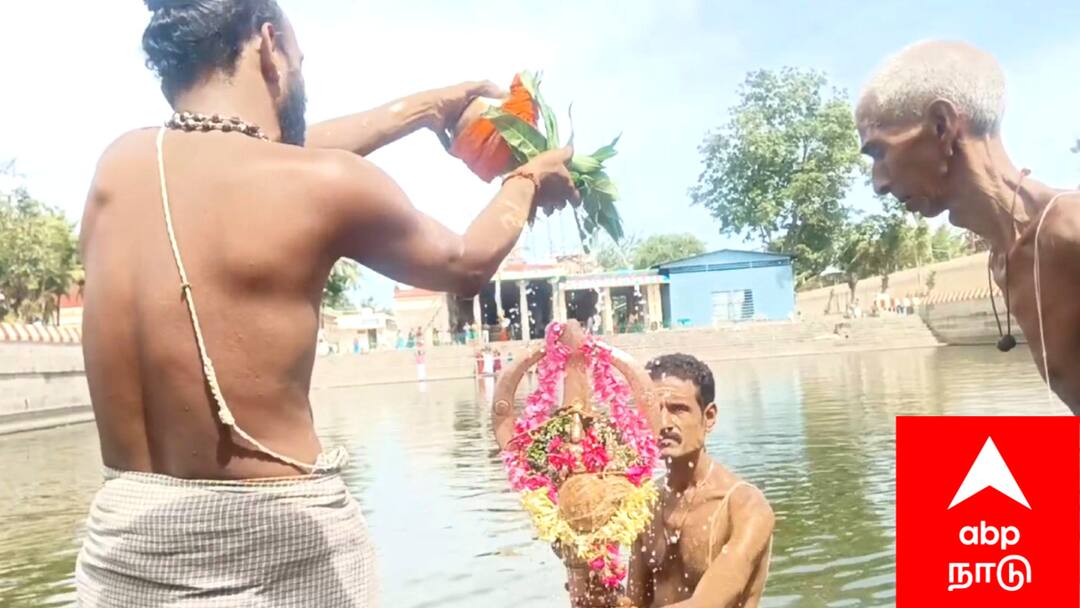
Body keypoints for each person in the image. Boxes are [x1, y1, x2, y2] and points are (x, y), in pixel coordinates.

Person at [74, 1, 579, 605]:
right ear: (269, 45)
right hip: (276, 553)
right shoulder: (326, 185)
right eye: (301, 60)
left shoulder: (119, 166)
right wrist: (527, 180)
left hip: (123, 557)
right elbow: (465, 263)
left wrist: (423, 110)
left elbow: (251, 152)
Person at [857, 40, 1080, 412]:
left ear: (942, 126)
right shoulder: (1003, 259)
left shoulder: (1070, 231)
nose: (878, 184)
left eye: (880, 151)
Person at [625, 354, 775, 608]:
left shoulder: (745, 506)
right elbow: (635, 602)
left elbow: (706, 604)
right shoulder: (646, 502)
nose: (664, 423)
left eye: (678, 409)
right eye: (654, 410)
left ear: (709, 417)